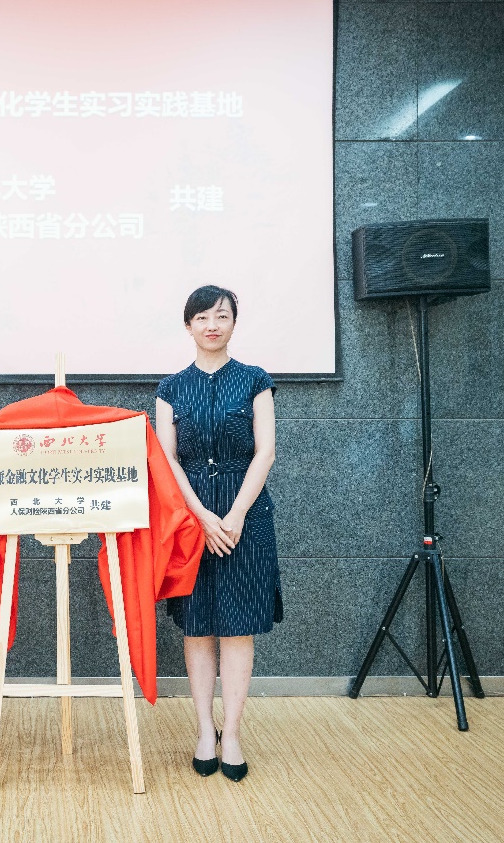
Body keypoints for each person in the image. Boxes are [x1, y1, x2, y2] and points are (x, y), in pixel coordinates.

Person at [155, 285, 281, 783]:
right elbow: (167, 459)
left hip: (245, 514)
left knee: (237, 626)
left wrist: (235, 515)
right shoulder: (170, 389)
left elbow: (265, 452)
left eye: (222, 316)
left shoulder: (255, 380)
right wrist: (204, 518)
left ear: (233, 324)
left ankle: (233, 733)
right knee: (197, 626)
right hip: (192, 519)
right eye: (203, 317)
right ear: (188, 325)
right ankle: (205, 730)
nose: (212, 325)